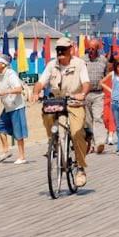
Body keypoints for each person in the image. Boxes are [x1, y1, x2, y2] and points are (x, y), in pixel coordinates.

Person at [31, 37, 90, 186]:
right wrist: (36, 92)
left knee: (77, 132)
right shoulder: (52, 65)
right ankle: (54, 141)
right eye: (58, 50)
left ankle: (80, 167)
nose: (60, 52)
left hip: (74, 102)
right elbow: (41, 82)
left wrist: (82, 94)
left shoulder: (79, 64)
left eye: (63, 49)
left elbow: (86, 83)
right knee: (47, 113)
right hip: (56, 101)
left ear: (70, 50)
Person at [0, 54, 29, 164]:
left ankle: (22, 157)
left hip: (16, 106)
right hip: (8, 107)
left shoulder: (11, 74)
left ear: (3, 64)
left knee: (18, 132)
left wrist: (6, 92)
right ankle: (6, 150)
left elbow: (18, 88)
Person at [83, 39, 109, 154]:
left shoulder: (103, 60)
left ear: (98, 49)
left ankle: (100, 142)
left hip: (98, 93)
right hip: (86, 94)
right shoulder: (83, 60)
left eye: (93, 49)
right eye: (89, 48)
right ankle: (91, 143)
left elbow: (107, 75)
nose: (91, 50)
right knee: (88, 121)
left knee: (98, 117)